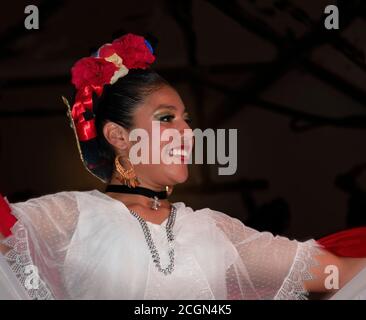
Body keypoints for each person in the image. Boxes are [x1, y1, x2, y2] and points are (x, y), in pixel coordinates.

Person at [0, 33, 365, 300]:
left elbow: (343, 273)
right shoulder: (69, 217)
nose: (188, 132)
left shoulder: (214, 231)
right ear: (118, 135)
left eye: (186, 120)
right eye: (166, 118)